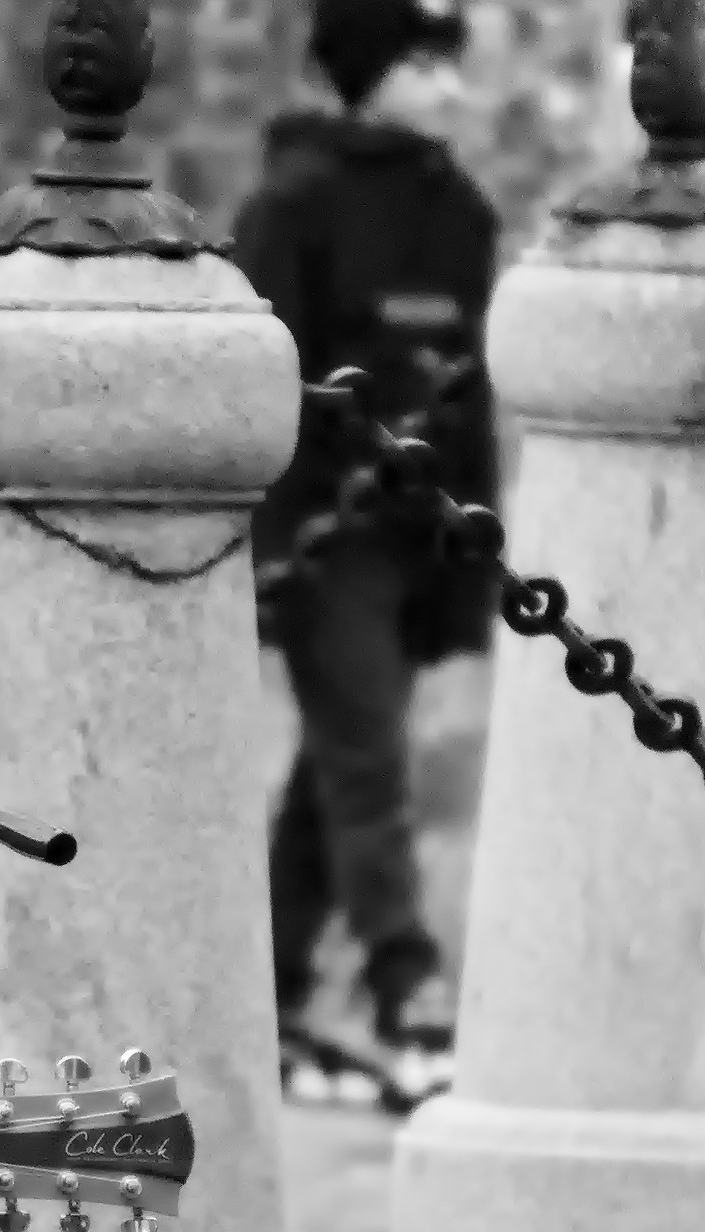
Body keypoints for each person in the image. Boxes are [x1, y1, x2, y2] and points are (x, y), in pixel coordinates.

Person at [235, 0, 501, 1101]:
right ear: (368, 74)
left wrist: (468, 560)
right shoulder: (294, 205)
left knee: (336, 772)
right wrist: (273, 551)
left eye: (449, 65)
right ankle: (408, 996)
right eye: (421, 64)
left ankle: (266, 1003)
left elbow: (470, 396)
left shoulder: (461, 209)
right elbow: (269, 389)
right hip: (326, 535)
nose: (450, 88)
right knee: (369, 761)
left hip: (419, 529)